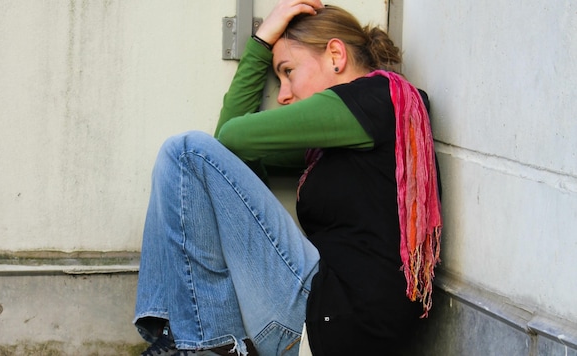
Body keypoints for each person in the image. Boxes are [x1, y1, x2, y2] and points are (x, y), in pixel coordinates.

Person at [133, 1, 442, 355]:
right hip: (335, 319)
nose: (282, 95)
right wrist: (263, 44)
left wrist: (261, 41)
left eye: (288, 71)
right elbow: (228, 150)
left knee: (184, 151)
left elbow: (231, 138)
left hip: (338, 321)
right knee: (188, 159)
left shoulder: (375, 98)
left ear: (336, 55)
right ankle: (181, 336)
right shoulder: (347, 136)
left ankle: (197, 344)